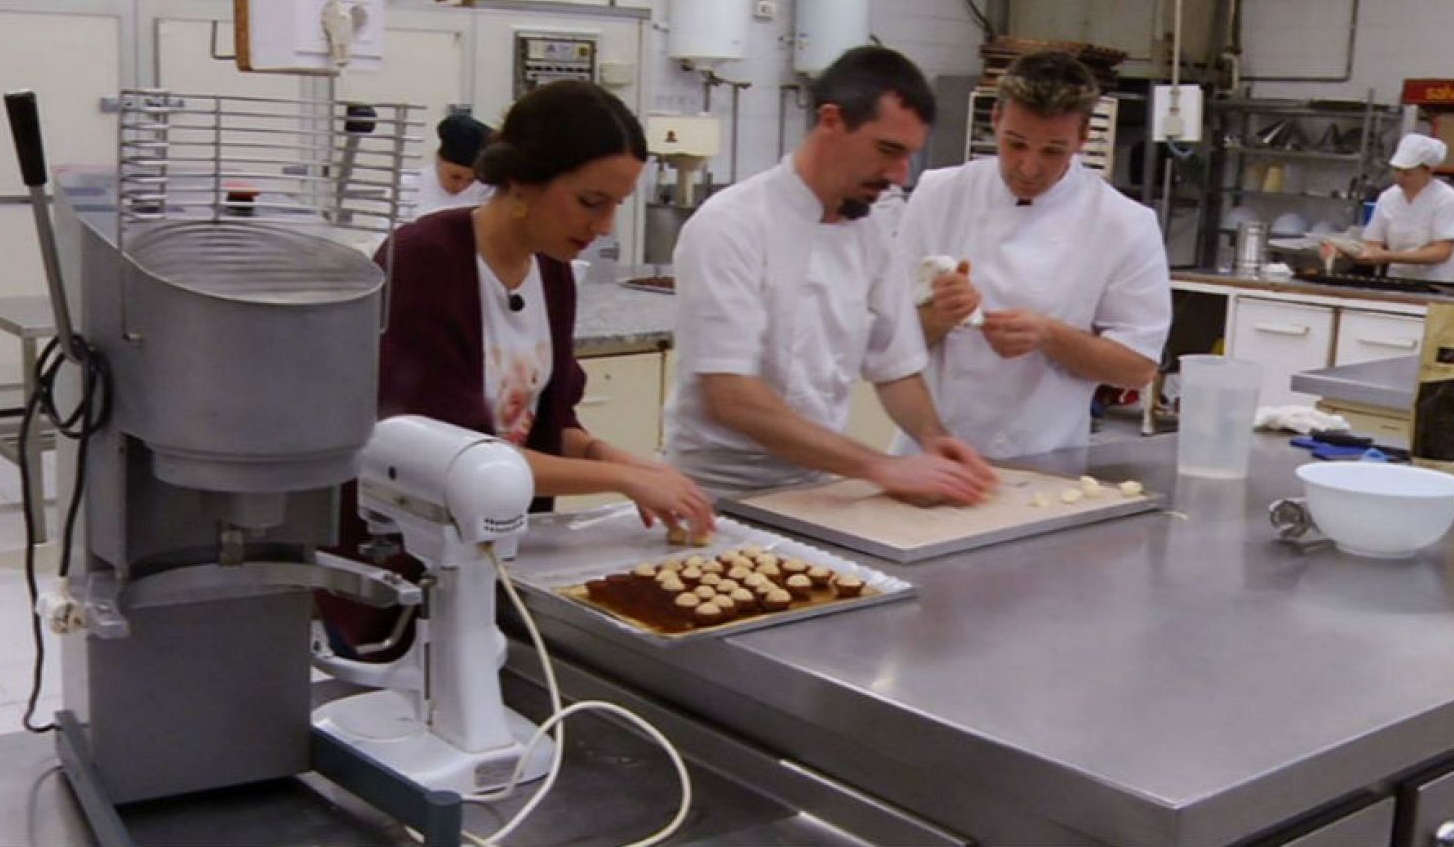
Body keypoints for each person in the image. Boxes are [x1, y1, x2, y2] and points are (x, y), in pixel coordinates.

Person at [319, 82, 714, 658]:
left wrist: (624, 461)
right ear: (526, 179)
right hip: (401, 573)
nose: (604, 226)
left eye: (616, 206)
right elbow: (454, 461)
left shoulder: (550, 270)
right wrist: (623, 480)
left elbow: (547, 426)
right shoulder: (426, 260)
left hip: (493, 558)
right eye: (590, 201)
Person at [663, 46, 997, 504]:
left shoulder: (871, 231)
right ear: (831, 121)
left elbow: (894, 364)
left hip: (821, 488)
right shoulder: (730, 225)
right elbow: (731, 396)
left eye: (909, 157)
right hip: (718, 495)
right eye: (887, 150)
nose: (900, 175)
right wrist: (881, 466)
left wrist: (934, 438)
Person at [894, 50, 1171, 459]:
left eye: (1053, 150)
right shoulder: (939, 195)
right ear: (996, 121)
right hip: (929, 453)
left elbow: (1137, 367)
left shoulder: (1124, 224)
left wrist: (1048, 335)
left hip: (1046, 457)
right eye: (1016, 143)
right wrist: (939, 316)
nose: (1029, 167)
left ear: (1083, 138)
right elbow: (886, 340)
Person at [1323, 133, 1454, 284]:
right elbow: (1373, 246)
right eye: (1397, 170)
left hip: (1439, 282)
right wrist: (1344, 252)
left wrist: (1388, 256)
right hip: (1399, 279)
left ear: (1428, 170)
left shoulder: (1446, 198)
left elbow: (1441, 252)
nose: (1399, 177)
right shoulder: (1388, 198)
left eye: (1407, 173)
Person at [414, 112, 496, 217]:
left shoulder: (487, 192)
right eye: (455, 177)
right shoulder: (409, 186)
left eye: (471, 180)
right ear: (438, 160)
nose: (461, 186)